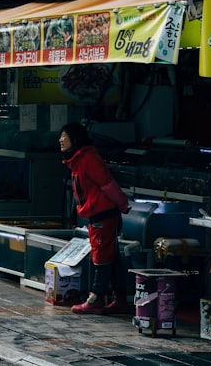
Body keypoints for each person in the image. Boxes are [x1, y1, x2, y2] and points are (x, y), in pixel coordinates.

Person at [60, 122, 131, 315]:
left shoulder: (88, 159)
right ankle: (120, 299)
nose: (60, 140)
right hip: (98, 213)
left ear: (74, 140)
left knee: (101, 255)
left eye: (64, 136)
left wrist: (122, 204)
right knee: (111, 255)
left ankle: (96, 298)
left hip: (104, 214)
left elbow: (107, 184)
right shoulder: (77, 160)